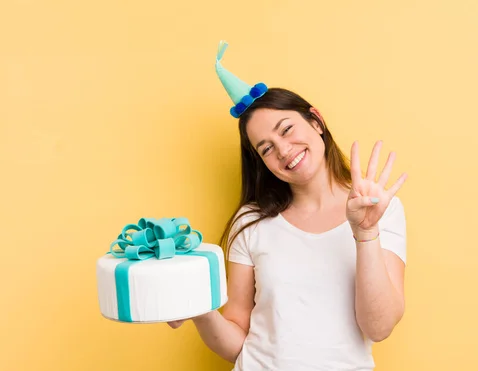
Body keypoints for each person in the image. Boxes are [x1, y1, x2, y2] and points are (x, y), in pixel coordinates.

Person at [168, 41, 408, 371]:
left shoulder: (380, 208)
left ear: (316, 122)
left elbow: (379, 328)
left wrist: (365, 232)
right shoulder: (250, 222)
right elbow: (238, 339)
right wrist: (202, 311)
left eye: (287, 129)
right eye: (266, 149)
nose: (283, 150)